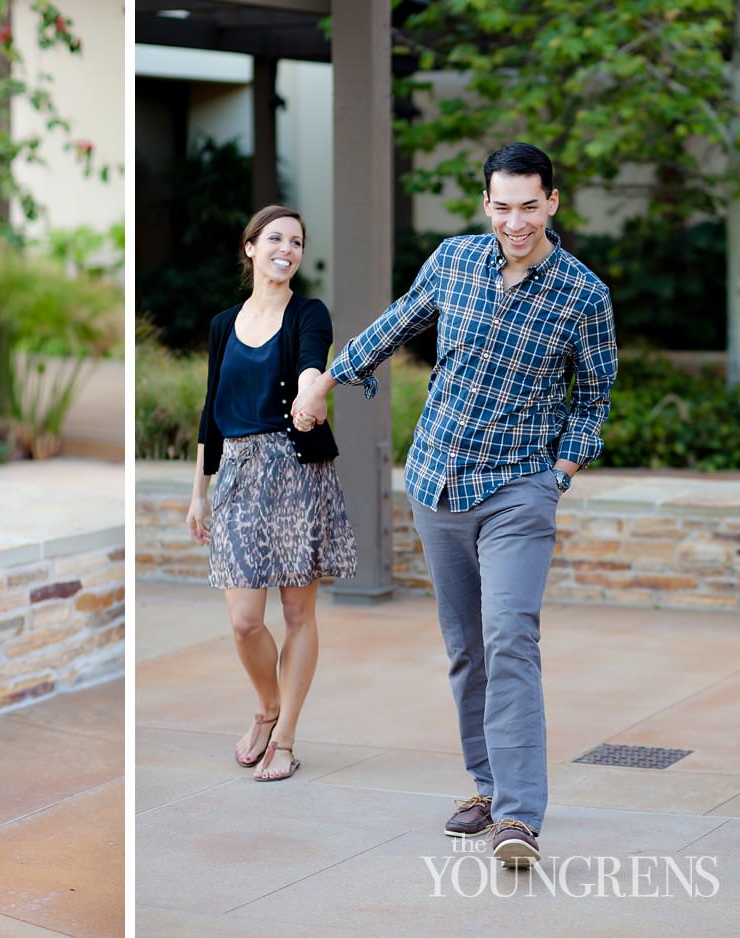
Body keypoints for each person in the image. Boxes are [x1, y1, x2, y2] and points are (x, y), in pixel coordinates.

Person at [295, 143, 618, 866]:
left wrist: (558, 472)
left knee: (510, 635)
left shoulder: (582, 295)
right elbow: (396, 324)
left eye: (530, 205)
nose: (516, 221)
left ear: (553, 203)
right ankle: (485, 786)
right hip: (438, 480)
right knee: (466, 648)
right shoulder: (454, 262)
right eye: (502, 207)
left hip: (517, 489)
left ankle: (519, 817)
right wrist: (324, 384)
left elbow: (594, 399)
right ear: (486, 206)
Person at [185, 205, 359, 783]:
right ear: (251, 247)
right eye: (276, 238)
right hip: (236, 471)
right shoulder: (221, 324)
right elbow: (210, 410)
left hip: (295, 471)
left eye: (297, 241)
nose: (287, 248)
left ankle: (285, 739)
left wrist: (314, 394)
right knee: (243, 620)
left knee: (296, 612)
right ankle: (268, 706)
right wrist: (198, 492)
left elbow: (314, 365)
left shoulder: (310, 313)